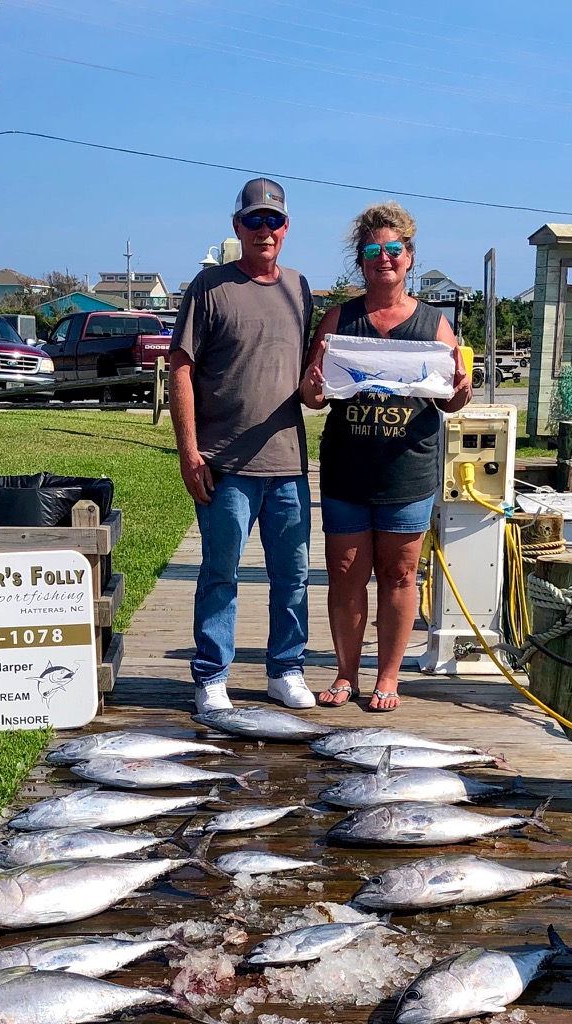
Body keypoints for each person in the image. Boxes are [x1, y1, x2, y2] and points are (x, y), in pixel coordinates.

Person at [300, 202, 471, 712]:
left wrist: (462, 389)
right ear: (361, 260)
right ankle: (346, 674)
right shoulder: (338, 318)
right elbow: (314, 395)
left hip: (408, 470)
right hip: (347, 471)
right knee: (345, 572)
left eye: (394, 250)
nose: (384, 259)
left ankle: (388, 679)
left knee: (400, 576)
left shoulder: (434, 324)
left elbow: (450, 399)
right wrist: (310, 387)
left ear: (410, 257)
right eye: (373, 251)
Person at [169, 178, 316, 713]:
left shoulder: (300, 287)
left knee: (293, 575)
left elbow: (305, 377)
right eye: (253, 220)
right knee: (220, 573)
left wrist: (317, 391)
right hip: (225, 463)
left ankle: (286, 668)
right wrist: (189, 452)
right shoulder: (209, 286)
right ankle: (211, 675)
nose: (264, 230)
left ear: (286, 226)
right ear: (236, 227)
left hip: (288, 463)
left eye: (272, 220)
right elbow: (179, 368)